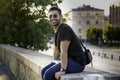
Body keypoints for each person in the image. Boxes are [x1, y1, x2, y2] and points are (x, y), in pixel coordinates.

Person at [41, 6, 86, 80]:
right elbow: (56, 50)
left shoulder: (64, 29)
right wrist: (54, 63)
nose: (52, 18)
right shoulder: (56, 31)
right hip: (68, 60)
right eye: (50, 16)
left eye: (55, 15)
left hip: (77, 63)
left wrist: (62, 70)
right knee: (43, 71)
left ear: (60, 17)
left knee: (48, 74)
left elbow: (63, 51)